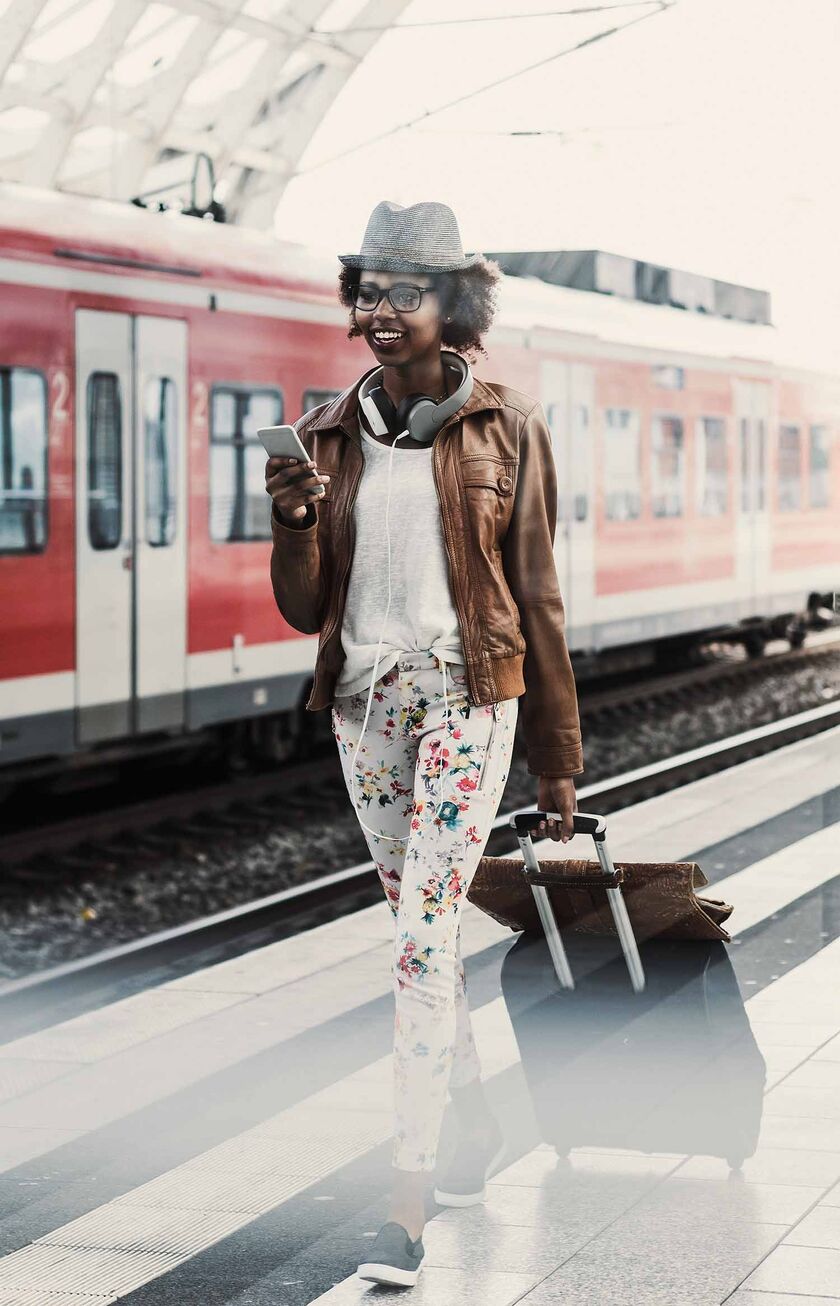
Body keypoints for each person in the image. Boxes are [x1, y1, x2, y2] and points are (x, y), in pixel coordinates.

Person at [265, 199, 584, 1287]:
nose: (381, 309)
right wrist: (297, 521)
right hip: (366, 707)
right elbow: (305, 609)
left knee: (419, 943)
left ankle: (406, 1196)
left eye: (406, 291)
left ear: (455, 306)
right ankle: (476, 1119)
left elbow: (537, 597)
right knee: (423, 930)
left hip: (468, 697)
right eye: (369, 289)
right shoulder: (324, 435)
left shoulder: (509, 429)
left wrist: (558, 762)